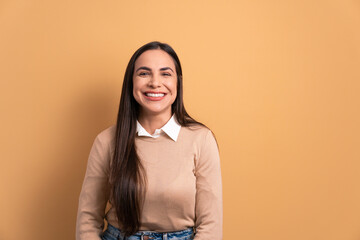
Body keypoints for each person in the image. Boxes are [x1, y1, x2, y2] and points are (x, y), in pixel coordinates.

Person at [76, 41, 223, 240]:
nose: (155, 82)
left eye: (165, 73)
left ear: (177, 83)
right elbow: (87, 219)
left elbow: (210, 226)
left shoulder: (201, 139)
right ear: (131, 82)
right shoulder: (107, 141)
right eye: (144, 73)